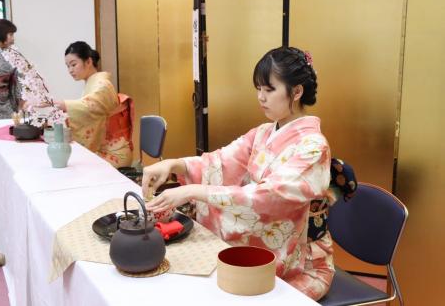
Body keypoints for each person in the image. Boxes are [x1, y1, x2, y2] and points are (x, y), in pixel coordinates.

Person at [142, 46, 334, 301]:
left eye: (269, 89)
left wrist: (191, 191)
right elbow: (220, 162)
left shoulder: (314, 147)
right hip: (262, 241)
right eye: (258, 89)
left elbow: (268, 197)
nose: (261, 98)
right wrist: (174, 165)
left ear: (296, 91)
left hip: (297, 260)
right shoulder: (264, 132)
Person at [54, 41, 133, 168]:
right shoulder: (93, 83)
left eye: (73, 64)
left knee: (74, 167)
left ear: (88, 62)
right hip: (103, 147)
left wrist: (63, 104)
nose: (70, 70)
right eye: (67, 66)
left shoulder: (102, 84)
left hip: (114, 152)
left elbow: (89, 107)